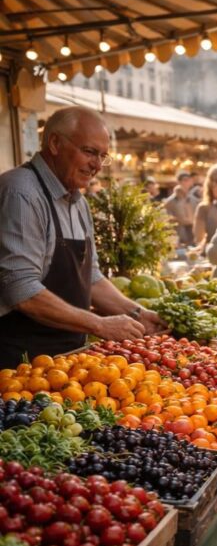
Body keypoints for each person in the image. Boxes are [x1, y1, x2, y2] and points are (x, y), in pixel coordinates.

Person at [0, 106, 164, 367]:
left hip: (67, 359)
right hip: (22, 362)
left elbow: (91, 278)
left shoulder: (78, 202)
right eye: (89, 152)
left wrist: (138, 313)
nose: (97, 165)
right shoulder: (22, 193)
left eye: (103, 156)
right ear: (55, 143)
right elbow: (21, 289)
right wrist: (99, 324)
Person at [164, 171, 196, 246]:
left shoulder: (194, 200)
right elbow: (167, 220)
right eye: (184, 180)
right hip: (178, 238)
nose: (186, 183)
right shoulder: (170, 201)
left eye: (188, 180)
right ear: (179, 182)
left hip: (193, 237)